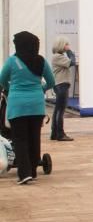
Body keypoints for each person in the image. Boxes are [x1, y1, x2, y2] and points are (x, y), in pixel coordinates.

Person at [0, 31, 56, 185]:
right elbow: (51, 81)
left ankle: (24, 174)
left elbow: (2, 80)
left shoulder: (12, 61)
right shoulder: (41, 61)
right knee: (34, 138)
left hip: (17, 105)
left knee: (20, 139)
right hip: (37, 106)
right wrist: (41, 89)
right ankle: (32, 171)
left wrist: (9, 89)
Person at [49, 36, 76, 141]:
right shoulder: (58, 57)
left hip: (59, 85)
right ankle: (60, 134)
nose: (68, 46)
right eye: (66, 44)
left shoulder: (58, 56)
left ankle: (54, 133)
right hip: (61, 85)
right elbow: (72, 62)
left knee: (57, 109)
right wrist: (69, 51)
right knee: (61, 110)